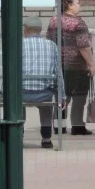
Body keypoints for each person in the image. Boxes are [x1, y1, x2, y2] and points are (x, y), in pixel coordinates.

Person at [47, 0, 95, 136]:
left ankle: (58, 127)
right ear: (69, 4)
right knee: (79, 97)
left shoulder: (54, 20)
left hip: (58, 66)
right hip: (76, 66)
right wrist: (91, 64)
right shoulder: (78, 23)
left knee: (61, 96)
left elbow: (50, 41)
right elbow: (84, 47)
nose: (79, 6)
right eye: (77, 3)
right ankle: (77, 126)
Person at [22, 16, 63, 149]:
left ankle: (18, 135)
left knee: (17, 104)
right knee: (46, 106)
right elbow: (58, 72)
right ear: (40, 30)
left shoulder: (17, 45)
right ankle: (46, 138)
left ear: (25, 30)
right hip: (44, 93)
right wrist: (62, 95)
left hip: (21, 94)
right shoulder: (51, 45)